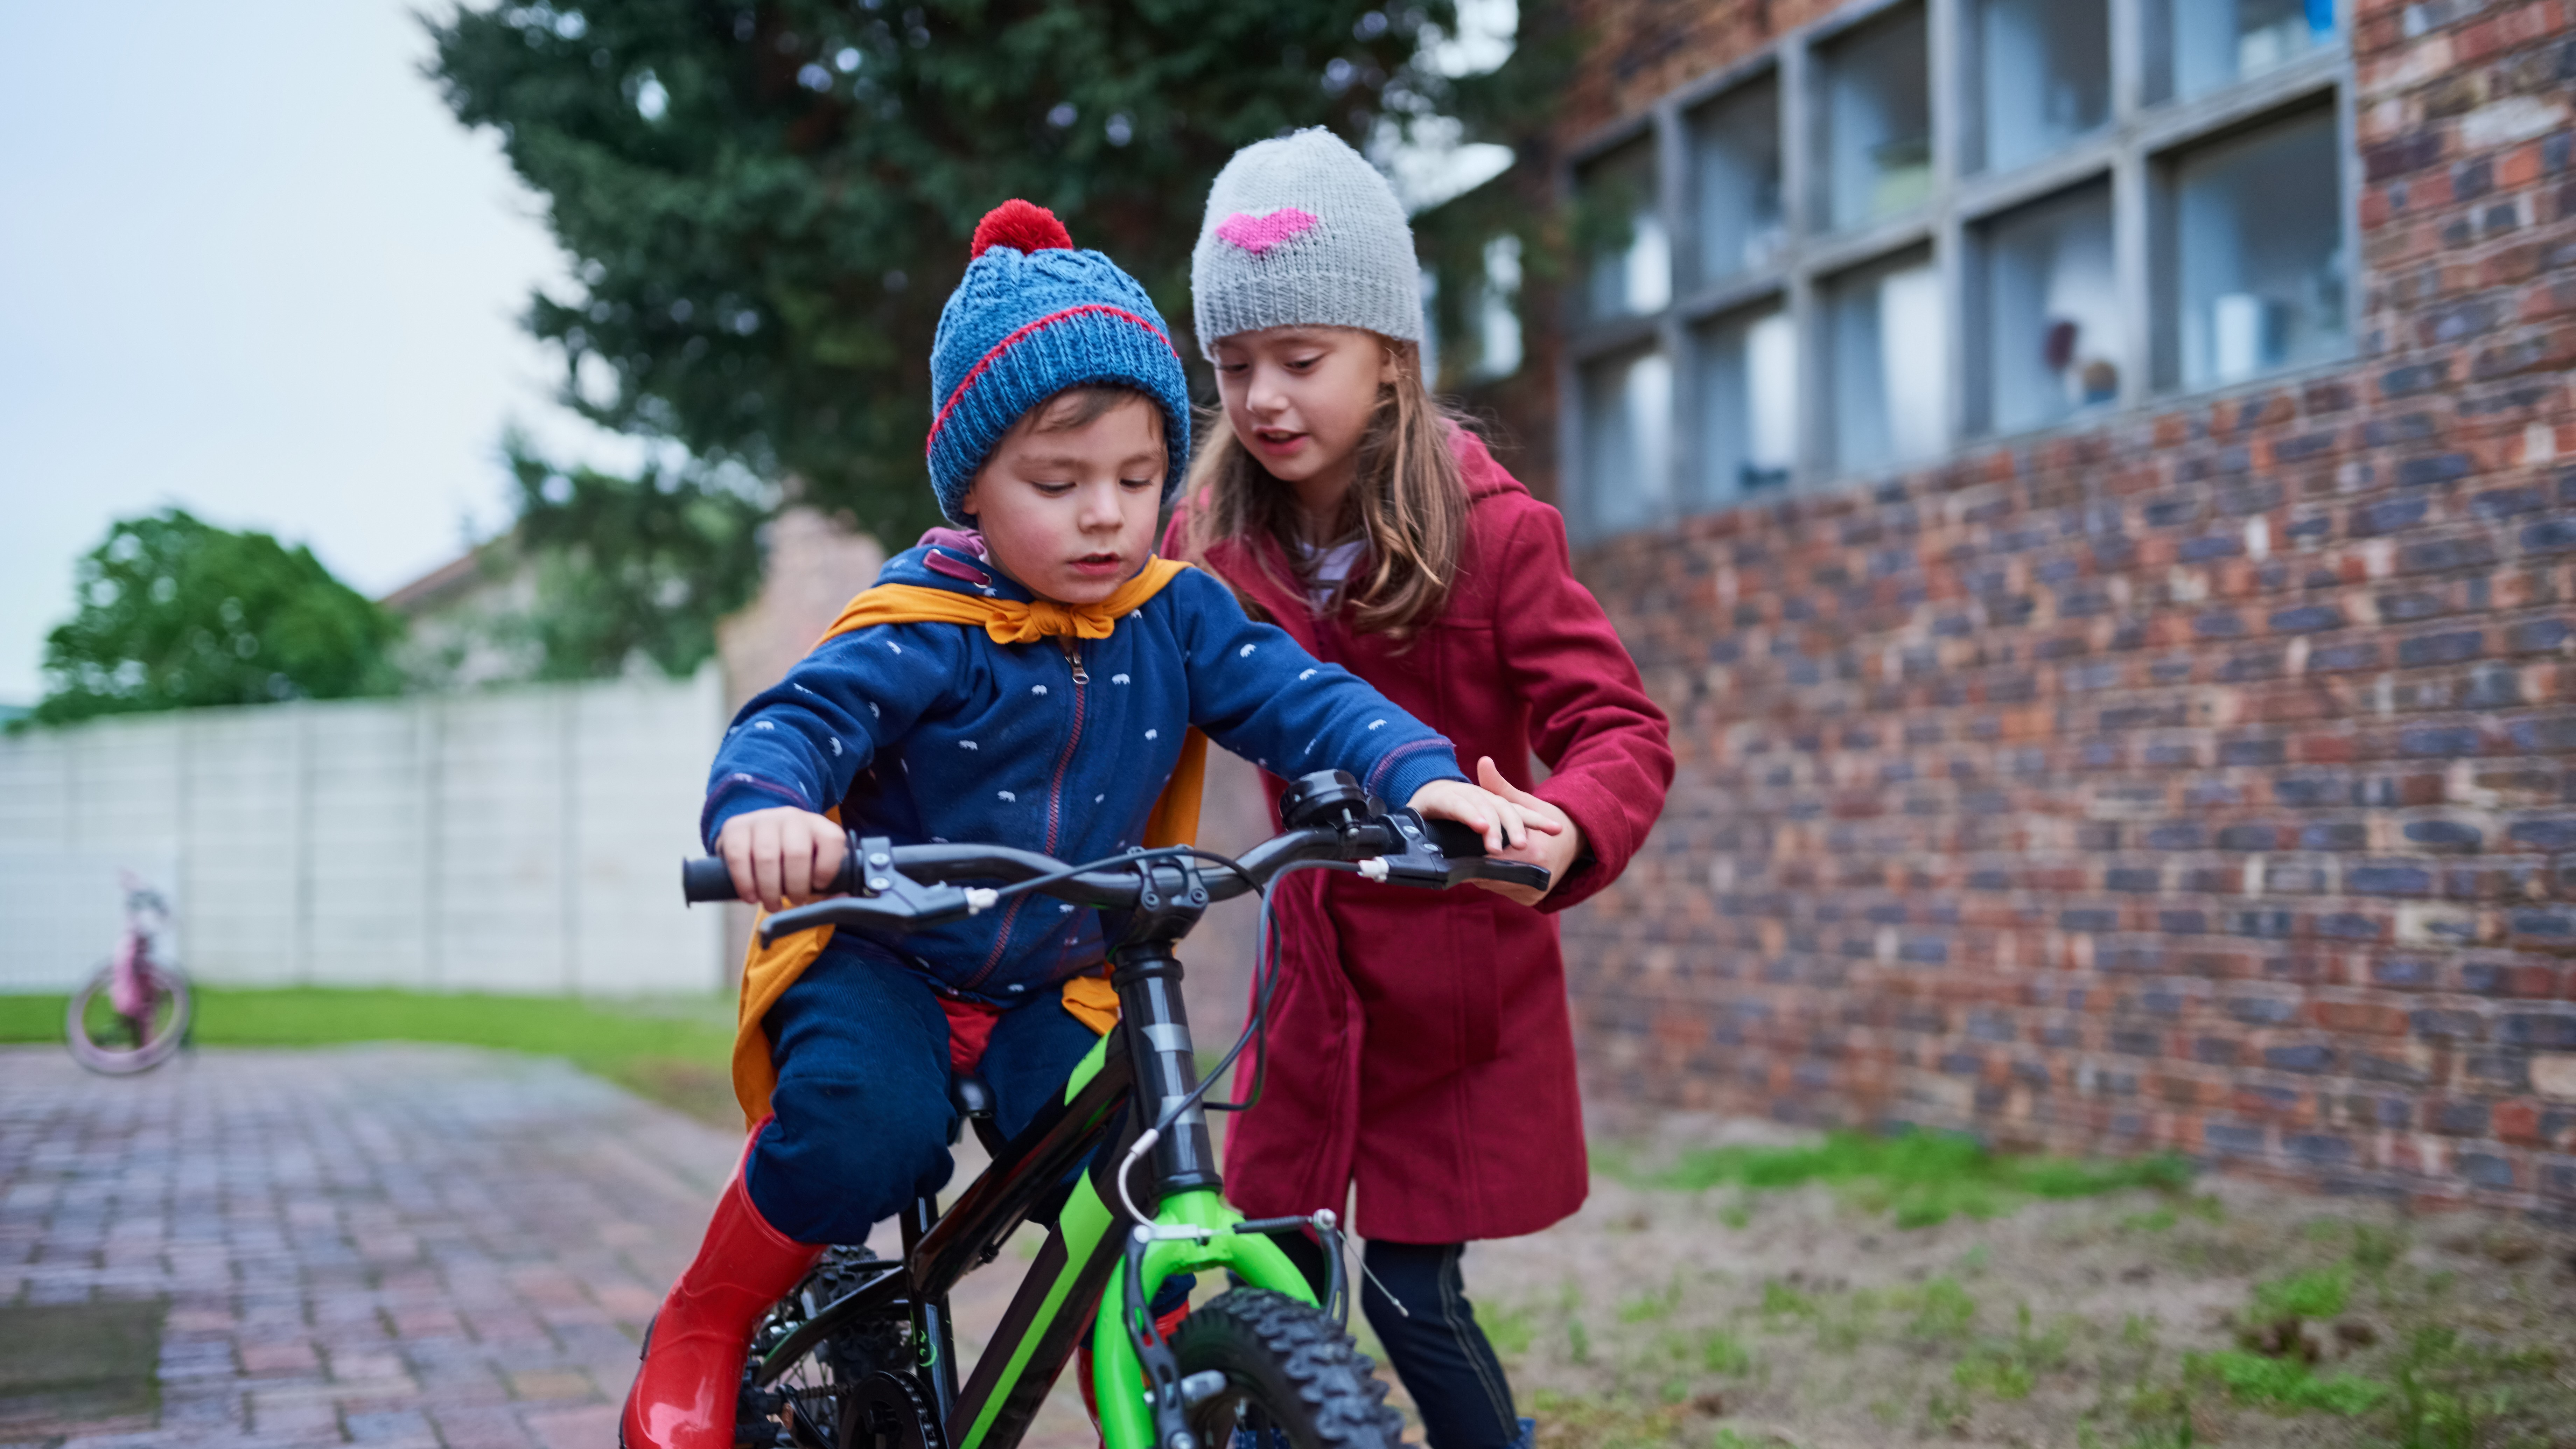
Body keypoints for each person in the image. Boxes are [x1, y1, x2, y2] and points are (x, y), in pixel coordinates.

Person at [621, 200, 1551, 1449]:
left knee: (1128, 1185)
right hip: (888, 954)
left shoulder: (1175, 614)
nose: (1108, 515)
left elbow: (1303, 697)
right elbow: (798, 721)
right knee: (858, 1130)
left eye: (1139, 476)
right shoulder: (924, 619)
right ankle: (708, 1317)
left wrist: (1422, 778)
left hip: (1063, 974)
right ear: (975, 493)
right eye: (1057, 484)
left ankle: (1176, 1384)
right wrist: (770, 811)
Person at [1167, 131, 1676, 1449]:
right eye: (1234, 367)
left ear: (1389, 352)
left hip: (1455, 979)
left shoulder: (1495, 534)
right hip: (1312, 983)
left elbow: (1617, 724)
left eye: (1302, 359)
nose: (1265, 399)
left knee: (1408, 1286)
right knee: (1276, 1270)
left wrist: (1566, 817)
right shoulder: (1206, 541)